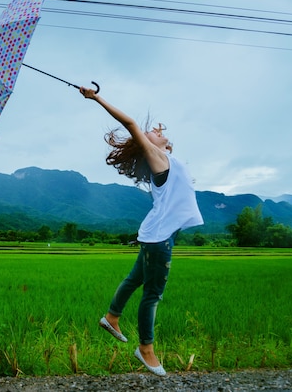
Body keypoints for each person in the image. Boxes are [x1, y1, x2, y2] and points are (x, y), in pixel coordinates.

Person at [80, 86, 203, 376]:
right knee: (153, 294)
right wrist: (96, 97)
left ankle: (112, 317)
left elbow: (165, 146)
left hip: (156, 234)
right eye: (151, 133)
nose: (155, 131)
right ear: (146, 144)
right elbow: (131, 124)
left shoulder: (164, 157)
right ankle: (146, 349)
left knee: (135, 278)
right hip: (159, 238)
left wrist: (161, 138)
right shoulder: (157, 158)